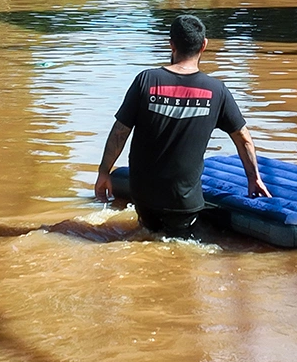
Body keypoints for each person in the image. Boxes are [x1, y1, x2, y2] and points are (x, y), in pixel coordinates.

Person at [94, 14, 271, 237]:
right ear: (204, 45)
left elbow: (120, 132)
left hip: (143, 197)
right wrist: (254, 178)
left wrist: (104, 172)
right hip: (184, 202)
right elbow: (242, 137)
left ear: (171, 44)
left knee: (145, 236)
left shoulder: (145, 80)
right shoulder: (217, 90)